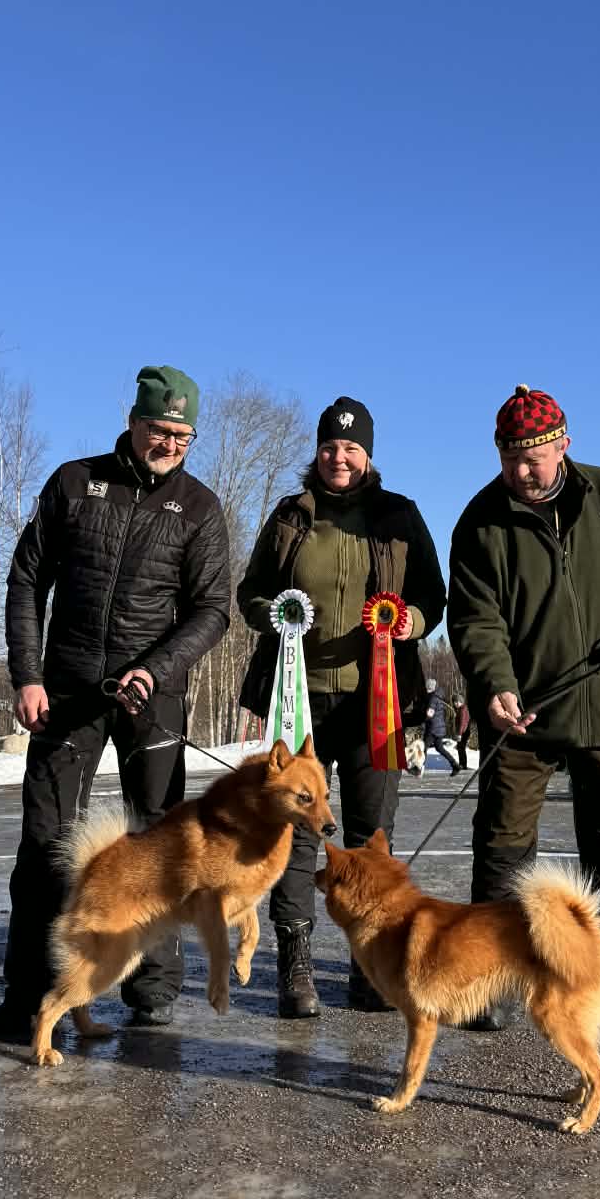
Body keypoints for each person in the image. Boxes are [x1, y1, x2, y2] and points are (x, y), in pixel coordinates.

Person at [0, 366, 231, 1043]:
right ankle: (29, 992)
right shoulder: (74, 481)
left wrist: (156, 669)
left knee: (160, 845)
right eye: (160, 429)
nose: (170, 443)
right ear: (133, 420)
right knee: (47, 845)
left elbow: (213, 610)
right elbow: (27, 580)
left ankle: (151, 992)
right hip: (64, 693)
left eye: (183, 434)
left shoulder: (200, 506)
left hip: (152, 699)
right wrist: (26, 674)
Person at [449, 384, 600, 1023]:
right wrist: (495, 684)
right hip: (523, 715)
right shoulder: (480, 522)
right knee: (502, 845)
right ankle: (489, 978)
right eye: (511, 458)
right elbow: (474, 617)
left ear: (564, 446)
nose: (523, 471)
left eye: (535, 457)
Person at [237, 396, 446, 1016]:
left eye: (352, 447)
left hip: (375, 699)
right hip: (299, 703)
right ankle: (295, 971)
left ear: (369, 455)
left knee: (369, 836)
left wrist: (412, 621)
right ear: (318, 451)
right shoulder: (289, 515)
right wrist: (274, 621)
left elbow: (433, 592)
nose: (339, 457)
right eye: (330, 446)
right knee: (300, 837)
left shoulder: (399, 515)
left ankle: (368, 969)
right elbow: (252, 591)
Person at [423, 679, 462, 773]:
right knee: (440, 748)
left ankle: (419, 768)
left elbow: (430, 713)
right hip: (439, 728)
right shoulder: (439, 697)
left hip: (433, 729)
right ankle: (455, 765)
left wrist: (424, 717)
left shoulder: (432, 698)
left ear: (429, 687)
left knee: (423, 747)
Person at [453, 694, 472, 769]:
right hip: (464, 732)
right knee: (461, 748)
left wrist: (459, 734)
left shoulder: (463, 710)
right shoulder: (461, 709)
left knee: (461, 748)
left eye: (458, 702)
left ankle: (463, 765)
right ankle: (462, 764)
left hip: (463, 732)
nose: (456, 703)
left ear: (462, 702)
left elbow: (462, 723)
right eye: (455, 702)